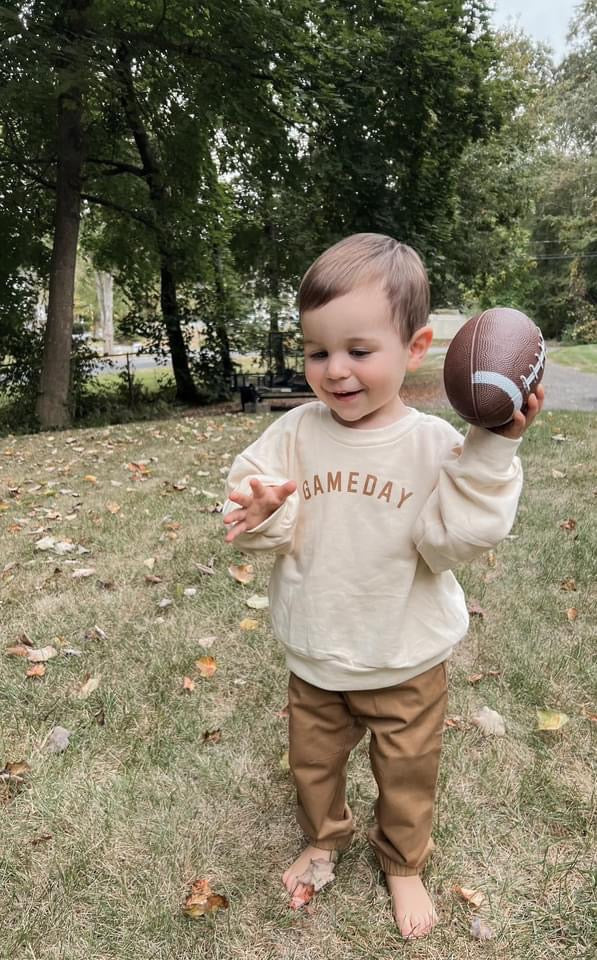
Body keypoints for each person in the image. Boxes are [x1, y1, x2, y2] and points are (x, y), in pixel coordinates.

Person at [222, 233, 544, 939]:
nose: (334, 370)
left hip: (405, 659)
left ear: (415, 346)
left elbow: (454, 539)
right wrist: (257, 506)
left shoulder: (433, 445)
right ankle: (323, 837)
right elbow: (248, 498)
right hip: (316, 654)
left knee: (405, 778)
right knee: (313, 766)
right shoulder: (295, 433)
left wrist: (491, 449)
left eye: (358, 351)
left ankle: (402, 863)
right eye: (317, 352)